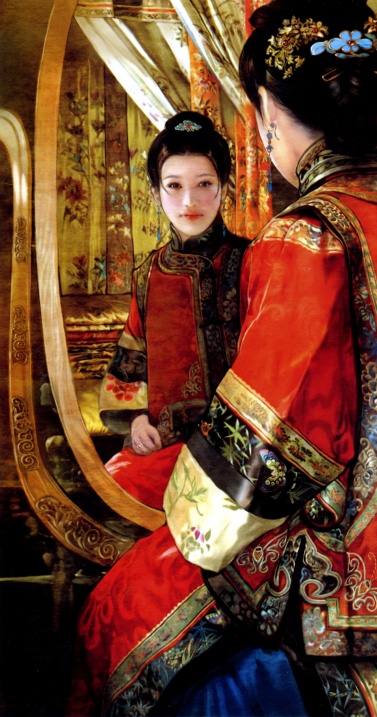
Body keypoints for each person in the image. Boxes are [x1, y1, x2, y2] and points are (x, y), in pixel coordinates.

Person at [67, 2, 377, 716]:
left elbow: (270, 441)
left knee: (117, 612)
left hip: (346, 566)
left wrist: (194, 523)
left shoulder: (305, 236)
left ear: (268, 112)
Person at [99, 111, 248, 509]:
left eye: (204, 184)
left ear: (224, 188)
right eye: (174, 186)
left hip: (243, 450)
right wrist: (137, 422)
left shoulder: (253, 261)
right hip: (164, 445)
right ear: (155, 193)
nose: (189, 202)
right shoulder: (149, 276)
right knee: (114, 487)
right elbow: (129, 364)